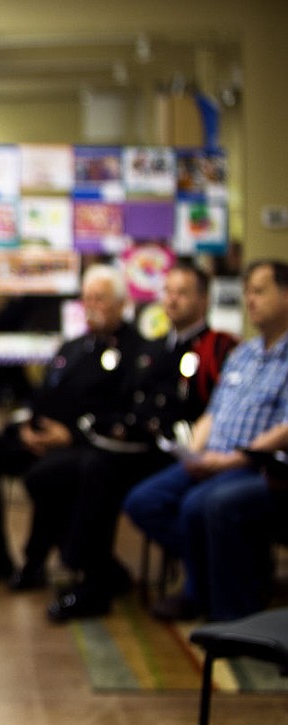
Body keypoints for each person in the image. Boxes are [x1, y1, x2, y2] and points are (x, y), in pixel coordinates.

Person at [44, 262, 237, 621]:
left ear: (203, 299)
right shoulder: (155, 348)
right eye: (168, 292)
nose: (172, 300)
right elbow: (134, 405)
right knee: (62, 471)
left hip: (188, 452)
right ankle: (94, 567)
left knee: (99, 471)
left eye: (182, 293)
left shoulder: (219, 348)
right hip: (146, 446)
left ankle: (95, 583)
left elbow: (211, 409)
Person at [0, 264, 146, 591]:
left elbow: (123, 413)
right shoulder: (74, 347)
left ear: (122, 304)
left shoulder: (134, 352)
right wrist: (26, 427)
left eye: (101, 299)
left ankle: (37, 561)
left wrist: (71, 435)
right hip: (41, 437)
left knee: (48, 474)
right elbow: (41, 395)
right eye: (87, 299)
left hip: (85, 447)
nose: (92, 306)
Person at [123, 259, 288, 622]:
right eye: (247, 292)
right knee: (143, 501)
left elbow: (286, 428)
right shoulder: (243, 353)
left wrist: (231, 461)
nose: (250, 300)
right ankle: (215, 579)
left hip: (258, 467)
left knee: (201, 506)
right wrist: (195, 451)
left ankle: (231, 615)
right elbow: (212, 412)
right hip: (212, 457)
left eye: (259, 291)